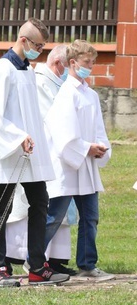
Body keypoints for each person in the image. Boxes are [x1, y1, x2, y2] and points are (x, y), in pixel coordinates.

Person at [0, 18, 70, 287]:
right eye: (37, 45)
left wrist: (32, 138)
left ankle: (37, 266)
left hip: (30, 151)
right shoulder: (2, 70)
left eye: (43, 47)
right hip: (8, 151)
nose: (39, 52)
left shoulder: (28, 71)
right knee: (1, 209)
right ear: (23, 40)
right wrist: (17, 137)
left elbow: (31, 114)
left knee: (40, 203)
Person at [43, 40, 113, 281]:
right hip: (68, 165)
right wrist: (85, 148)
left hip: (87, 166)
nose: (90, 67)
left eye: (93, 63)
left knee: (90, 217)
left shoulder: (90, 95)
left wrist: (102, 147)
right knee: (54, 217)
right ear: (72, 63)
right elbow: (63, 132)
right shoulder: (66, 93)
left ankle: (87, 264)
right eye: (86, 63)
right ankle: (34, 260)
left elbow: (98, 128)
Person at [4, 45, 77, 274]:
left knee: (57, 205)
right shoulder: (39, 82)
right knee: (31, 205)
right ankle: (17, 254)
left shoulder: (61, 83)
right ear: (58, 64)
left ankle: (55, 258)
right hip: (38, 151)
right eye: (69, 66)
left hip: (59, 153)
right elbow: (48, 118)